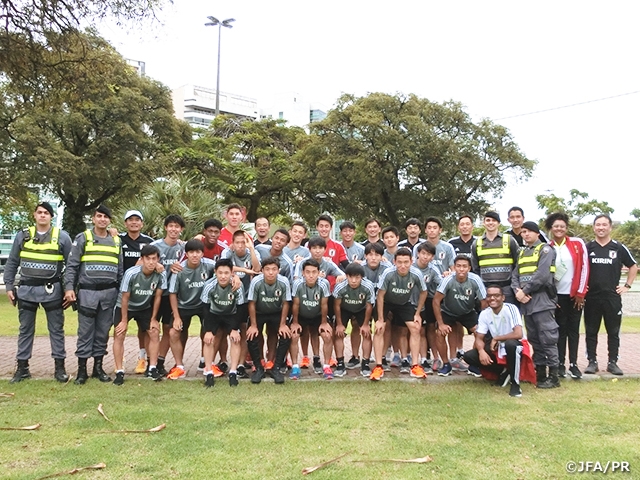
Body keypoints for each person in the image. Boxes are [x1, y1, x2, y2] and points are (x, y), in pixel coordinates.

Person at [5, 202, 72, 383]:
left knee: (56, 330)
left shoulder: (62, 237)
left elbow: (72, 266)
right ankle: (22, 368)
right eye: (40, 212)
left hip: (52, 291)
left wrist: (69, 289)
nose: (43, 215)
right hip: (26, 290)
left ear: (51, 216)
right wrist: (9, 286)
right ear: (34, 215)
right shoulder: (23, 236)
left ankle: (60, 368)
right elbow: (12, 263)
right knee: (25, 330)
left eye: (46, 213)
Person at [64, 205, 123, 385]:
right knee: (85, 332)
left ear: (110, 220)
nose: (102, 219)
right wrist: (69, 288)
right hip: (87, 293)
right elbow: (72, 266)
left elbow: (120, 270)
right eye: (99, 216)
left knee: (103, 332)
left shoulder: (116, 241)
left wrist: (120, 294)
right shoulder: (83, 238)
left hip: (109, 294)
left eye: (106, 217)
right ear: (93, 218)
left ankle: (98, 368)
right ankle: (82, 370)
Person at [584, 214, 638, 376]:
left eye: (604, 225)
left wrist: (627, 286)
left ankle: (612, 362)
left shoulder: (618, 247)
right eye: (598, 225)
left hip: (612, 298)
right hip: (592, 297)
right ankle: (592, 362)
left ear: (610, 227)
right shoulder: (588, 248)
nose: (601, 228)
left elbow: (633, 266)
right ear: (594, 227)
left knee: (613, 332)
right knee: (591, 331)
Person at [511, 221, 559, 389]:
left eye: (529, 231)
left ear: (537, 233)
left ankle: (554, 375)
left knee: (548, 338)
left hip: (542, 300)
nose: (526, 234)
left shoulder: (545, 249)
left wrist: (524, 291)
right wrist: (518, 291)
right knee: (534, 339)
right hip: (527, 303)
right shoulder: (522, 252)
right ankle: (540, 374)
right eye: (523, 232)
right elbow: (515, 274)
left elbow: (542, 275)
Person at [370, 248, 428, 380]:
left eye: (406, 262)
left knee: (415, 328)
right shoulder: (388, 273)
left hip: (403, 303)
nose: (403, 265)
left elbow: (424, 292)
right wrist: (380, 319)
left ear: (411, 261)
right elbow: (380, 295)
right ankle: (378, 366)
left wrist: (418, 313)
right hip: (386, 302)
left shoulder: (416, 274)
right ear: (394, 261)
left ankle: (415, 366)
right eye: (400, 262)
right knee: (379, 329)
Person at [112, 245, 166, 384]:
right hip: (125, 306)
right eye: (147, 259)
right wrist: (124, 320)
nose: (151, 262)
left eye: (154, 259)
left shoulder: (161, 274)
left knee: (154, 332)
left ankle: (152, 368)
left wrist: (154, 319)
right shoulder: (131, 273)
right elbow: (125, 297)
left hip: (144, 306)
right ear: (142, 259)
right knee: (119, 333)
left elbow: (158, 297)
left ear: (158, 260)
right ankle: (119, 371)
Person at [545, 212, 589, 379]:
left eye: (562, 226)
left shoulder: (577, 243)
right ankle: (560, 364)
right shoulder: (547, 247)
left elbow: (584, 268)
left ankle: (574, 364)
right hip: (557, 297)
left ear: (566, 228)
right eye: (556, 226)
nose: (559, 229)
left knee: (574, 330)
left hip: (575, 296)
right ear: (551, 228)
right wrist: (551, 297)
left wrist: (580, 293)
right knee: (560, 331)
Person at [462, 285, 526, 397]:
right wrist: (481, 351)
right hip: (498, 346)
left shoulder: (511, 308)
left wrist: (496, 338)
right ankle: (503, 371)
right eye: (489, 296)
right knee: (469, 356)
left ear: (503, 298)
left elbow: (518, 334)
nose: (492, 298)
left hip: (516, 345)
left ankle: (515, 385)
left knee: (511, 345)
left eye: (496, 295)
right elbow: (479, 337)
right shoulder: (485, 313)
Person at [294, 236, 346, 373]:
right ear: (309, 249)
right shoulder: (302, 263)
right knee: (304, 330)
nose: (317, 251)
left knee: (318, 331)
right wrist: (313, 278)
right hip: (303, 299)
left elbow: (342, 275)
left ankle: (319, 358)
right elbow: (296, 279)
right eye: (314, 248)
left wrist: (339, 277)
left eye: (320, 248)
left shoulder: (328, 263)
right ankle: (305, 356)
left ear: (324, 249)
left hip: (322, 300)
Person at [166, 239, 216, 380]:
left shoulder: (209, 265)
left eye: (198, 252)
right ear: (186, 254)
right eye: (191, 252)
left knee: (208, 333)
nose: (195, 255)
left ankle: (206, 364)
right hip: (183, 306)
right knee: (174, 333)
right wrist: (176, 317)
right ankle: (179, 366)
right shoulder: (179, 269)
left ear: (202, 253)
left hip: (203, 305)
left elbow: (225, 268)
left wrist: (235, 276)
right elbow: (172, 293)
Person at [432, 255, 487, 376]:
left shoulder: (475, 280)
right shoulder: (448, 280)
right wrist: (441, 324)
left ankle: (473, 364)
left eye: (464, 266)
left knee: (479, 333)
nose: (461, 269)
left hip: (468, 312)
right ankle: (446, 364)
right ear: (454, 268)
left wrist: (483, 322)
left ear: (469, 268)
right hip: (448, 311)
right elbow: (436, 301)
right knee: (439, 333)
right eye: (458, 266)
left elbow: (484, 301)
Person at [119, 210, 156, 375]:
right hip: (123, 291)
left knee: (145, 329)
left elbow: (155, 259)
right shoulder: (118, 239)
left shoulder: (149, 242)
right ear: (125, 223)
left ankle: (143, 358)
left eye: (137, 220)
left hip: (144, 292)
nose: (134, 223)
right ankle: (120, 359)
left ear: (142, 223)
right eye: (130, 220)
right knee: (120, 327)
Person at [200, 259, 246, 387]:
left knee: (235, 338)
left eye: (226, 273)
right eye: (220, 273)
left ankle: (233, 372)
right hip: (213, 313)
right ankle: (209, 372)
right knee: (208, 339)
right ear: (215, 272)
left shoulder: (237, 286)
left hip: (231, 314)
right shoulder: (209, 286)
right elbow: (205, 308)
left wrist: (235, 328)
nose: (223, 276)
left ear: (232, 273)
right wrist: (208, 330)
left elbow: (241, 308)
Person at [222, 230, 261, 377]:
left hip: (245, 299)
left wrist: (251, 248)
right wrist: (243, 270)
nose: (240, 245)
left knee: (244, 331)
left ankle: (240, 364)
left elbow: (257, 269)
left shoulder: (253, 252)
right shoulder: (227, 252)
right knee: (225, 331)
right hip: (228, 299)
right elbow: (224, 268)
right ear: (232, 243)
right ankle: (223, 361)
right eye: (237, 242)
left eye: (243, 242)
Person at [246, 257, 292, 383]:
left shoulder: (284, 281)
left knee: (286, 334)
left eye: (274, 269)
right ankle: (259, 368)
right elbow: (251, 303)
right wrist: (253, 325)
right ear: (262, 270)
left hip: (276, 312)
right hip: (259, 312)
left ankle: (276, 367)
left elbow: (286, 303)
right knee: (251, 335)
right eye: (267, 269)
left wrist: (283, 324)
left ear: (279, 270)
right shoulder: (256, 281)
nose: (270, 272)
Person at [151, 214, 186, 376]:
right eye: (170, 226)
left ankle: (159, 361)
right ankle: (147, 362)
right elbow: (140, 265)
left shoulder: (183, 248)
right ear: (165, 227)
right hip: (153, 293)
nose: (173, 229)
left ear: (181, 229)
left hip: (171, 295)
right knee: (150, 329)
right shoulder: (155, 246)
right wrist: (155, 265)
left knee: (167, 328)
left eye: (177, 226)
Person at [290, 259, 333, 379]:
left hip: (318, 315)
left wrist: (324, 323)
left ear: (319, 272)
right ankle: (295, 367)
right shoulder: (297, 284)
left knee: (327, 335)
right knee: (294, 335)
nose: (311, 275)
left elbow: (324, 305)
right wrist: (295, 322)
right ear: (303, 273)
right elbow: (296, 305)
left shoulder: (324, 283)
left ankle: (326, 366)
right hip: (301, 315)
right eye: (307, 272)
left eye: (314, 272)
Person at [333, 263, 376, 377]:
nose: (353, 280)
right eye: (351, 277)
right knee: (338, 334)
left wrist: (366, 324)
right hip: (344, 308)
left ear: (362, 277)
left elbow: (369, 306)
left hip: (362, 309)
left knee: (366, 334)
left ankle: (365, 363)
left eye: (357, 277)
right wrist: (339, 324)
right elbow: (336, 305)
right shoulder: (340, 286)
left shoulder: (368, 286)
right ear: (346, 276)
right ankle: (340, 363)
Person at [471, 211, 520, 305]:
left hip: (507, 288)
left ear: (498, 223)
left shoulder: (509, 240)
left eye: (494, 220)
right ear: (483, 223)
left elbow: (517, 263)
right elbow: (475, 268)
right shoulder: (477, 243)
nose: (490, 223)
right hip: (486, 289)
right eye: (488, 220)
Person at [412, 241, 442, 372]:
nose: (425, 257)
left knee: (430, 329)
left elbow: (442, 285)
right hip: (410, 301)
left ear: (432, 257)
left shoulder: (433, 270)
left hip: (428, 301)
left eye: (428, 255)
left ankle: (435, 358)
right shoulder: (410, 267)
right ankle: (420, 358)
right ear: (418, 254)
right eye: (423, 253)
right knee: (418, 330)